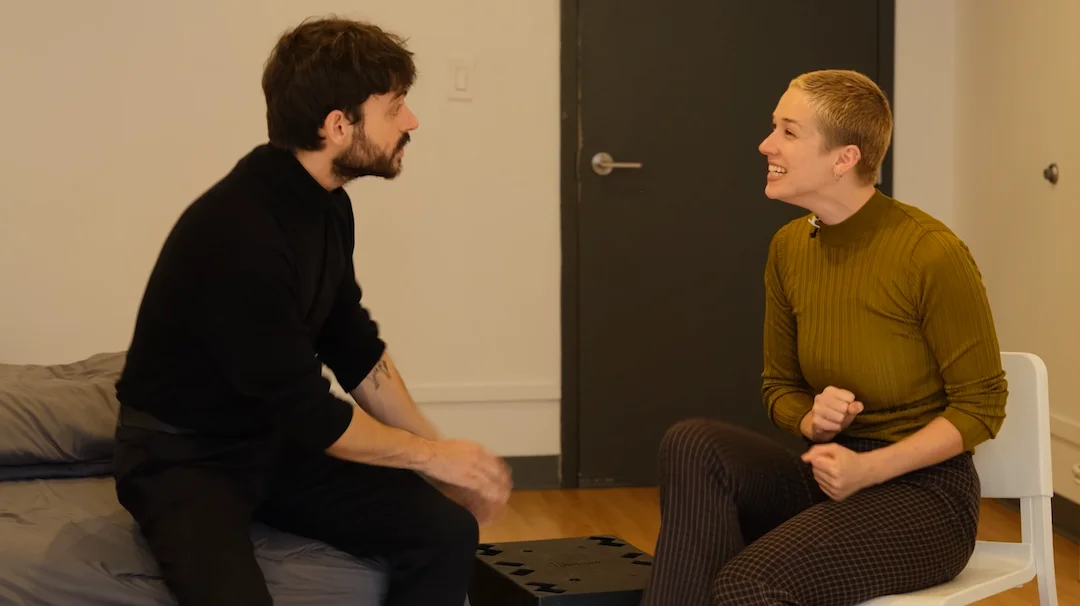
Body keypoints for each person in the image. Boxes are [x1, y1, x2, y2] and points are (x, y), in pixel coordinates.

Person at [112, 17, 512, 606]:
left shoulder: (327, 205)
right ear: (337, 125)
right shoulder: (240, 234)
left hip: (271, 442)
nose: (412, 121)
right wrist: (431, 456)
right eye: (396, 106)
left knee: (444, 530)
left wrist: (438, 458)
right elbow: (311, 414)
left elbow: (351, 342)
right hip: (184, 461)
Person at [640, 69, 1007, 605]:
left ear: (844, 159)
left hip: (926, 500)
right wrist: (813, 419)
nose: (766, 144)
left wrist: (869, 468)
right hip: (829, 476)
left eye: (789, 132)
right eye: (773, 128)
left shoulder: (929, 252)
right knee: (693, 444)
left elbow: (984, 405)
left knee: (747, 583)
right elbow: (779, 385)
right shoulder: (790, 247)